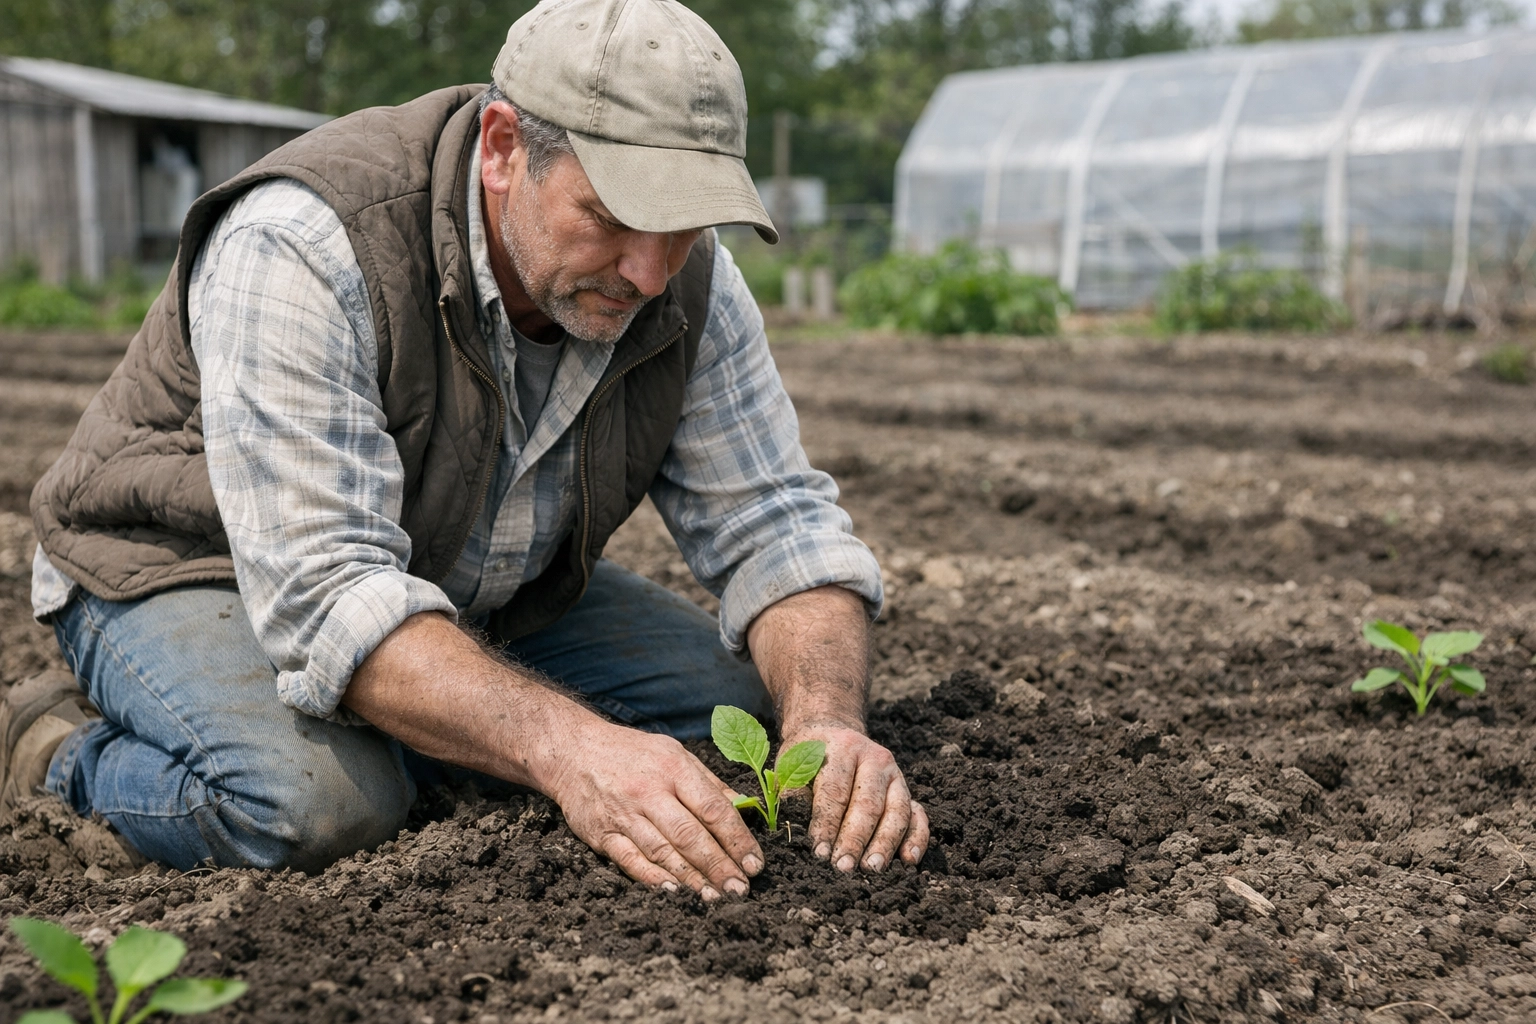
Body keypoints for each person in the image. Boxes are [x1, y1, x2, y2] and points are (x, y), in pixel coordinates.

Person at [5, 0, 927, 898]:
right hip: (190, 566)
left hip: (452, 572)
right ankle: (58, 750)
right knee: (316, 808)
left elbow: (777, 525)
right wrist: (572, 750)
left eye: (683, 227)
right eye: (611, 216)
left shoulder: (691, 288)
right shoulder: (305, 243)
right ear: (502, 149)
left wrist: (828, 725)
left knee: (746, 709)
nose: (650, 272)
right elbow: (328, 590)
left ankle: (423, 728)